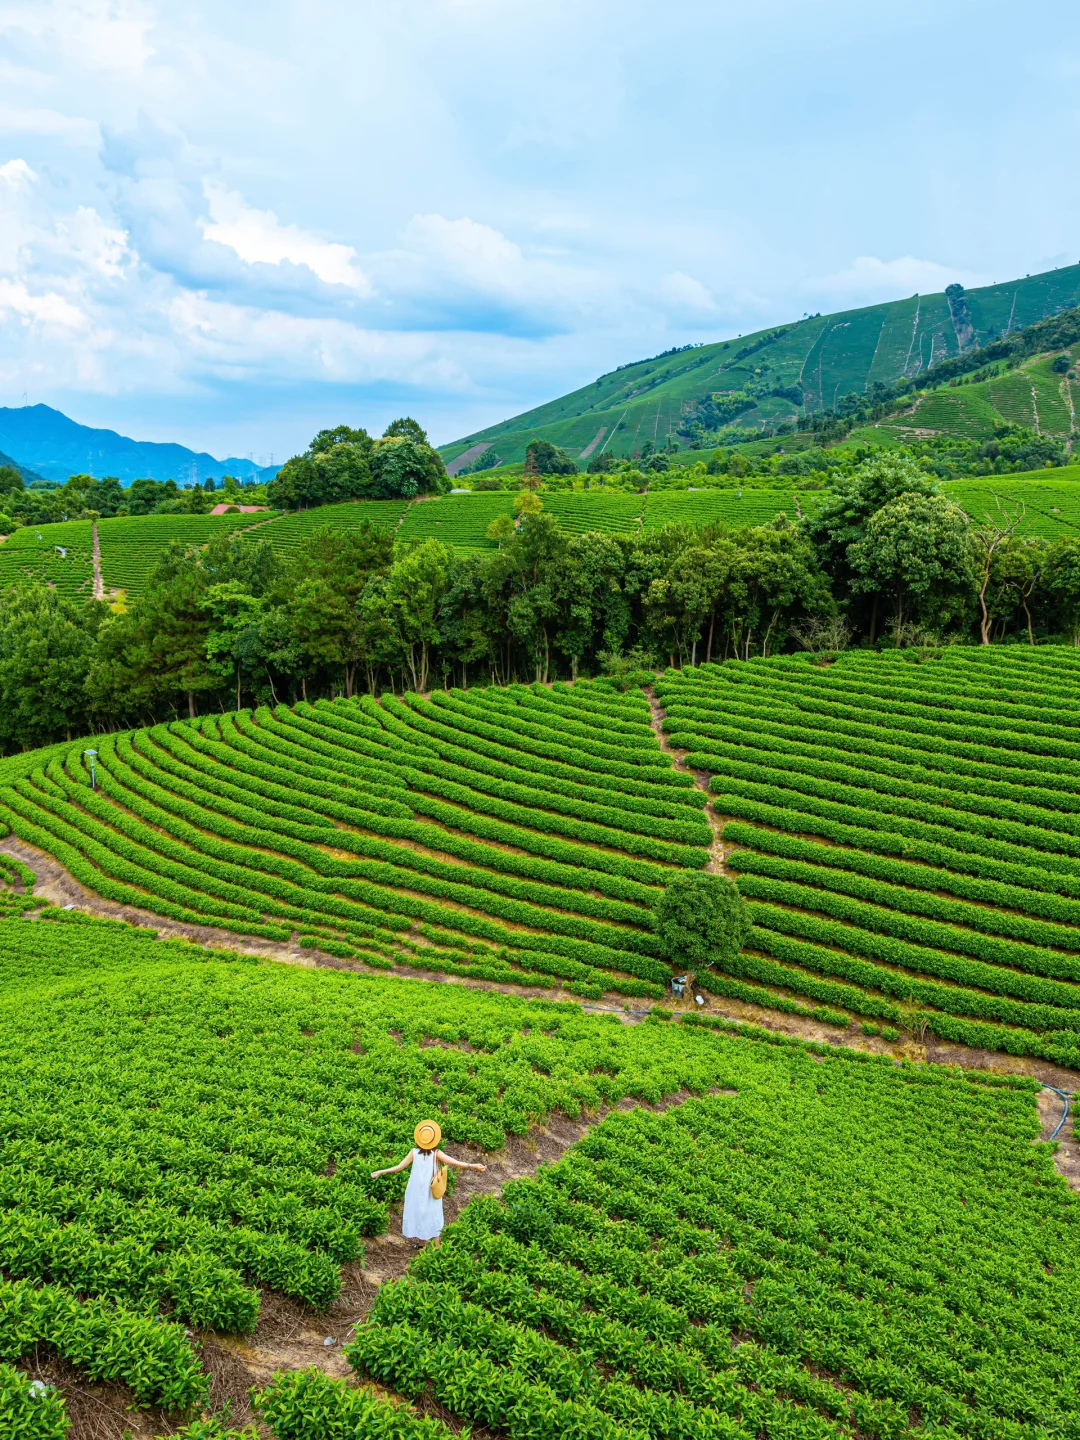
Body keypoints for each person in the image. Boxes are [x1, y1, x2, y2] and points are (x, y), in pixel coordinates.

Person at [370, 1119, 486, 1248]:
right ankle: (436, 1247)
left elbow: (399, 1167)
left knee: (419, 1212)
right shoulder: (436, 1153)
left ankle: (421, 1245)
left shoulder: (413, 1152)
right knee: (434, 1214)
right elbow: (454, 1162)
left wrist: (381, 1171)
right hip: (431, 1190)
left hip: (415, 1190)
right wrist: (472, 1165)